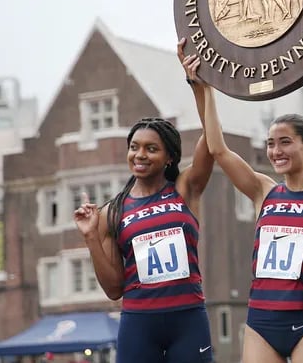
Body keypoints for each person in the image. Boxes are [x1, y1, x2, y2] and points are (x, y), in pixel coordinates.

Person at [180, 46, 303, 363]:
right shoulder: (265, 189)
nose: (276, 151)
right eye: (271, 143)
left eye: (285, 142)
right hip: (261, 321)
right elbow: (219, 149)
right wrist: (202, 88)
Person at [73, 56, 215, 363]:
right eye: (134, 147)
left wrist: (199, 88)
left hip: (187, 319)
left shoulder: (185, 188)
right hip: (139, 323)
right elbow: (113, 289)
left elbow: (212, 140)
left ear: (169, 158)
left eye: (151, 148)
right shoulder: (113, 211)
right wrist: (90, 238)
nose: (140, 154)